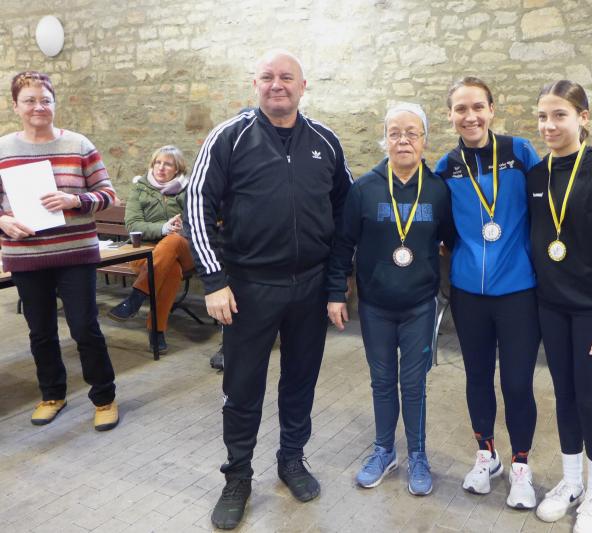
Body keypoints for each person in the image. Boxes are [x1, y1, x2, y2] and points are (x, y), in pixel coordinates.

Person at [184, 50, 352, 530]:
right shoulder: (229, 137)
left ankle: (291, 459)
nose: (277, 85)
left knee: (300, 381)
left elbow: (346, 211)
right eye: (267, 77)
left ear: (303, 86)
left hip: (310, 287)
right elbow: (196, 204)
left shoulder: (325, 141)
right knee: (242, 388)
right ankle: (237, 476)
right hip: (249, 288)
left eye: (286, 77)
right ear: (254, 84)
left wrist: (336, 281)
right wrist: (214, 281)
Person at [327, 103, 454, 496]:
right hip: (375, 307)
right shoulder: (364, 188)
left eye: (412, 133)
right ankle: (385, 451)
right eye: (395, 132)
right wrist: (336, 292)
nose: (403, 140)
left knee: (414, 384)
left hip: (419, 306)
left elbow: (452, 240)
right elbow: (342, 244)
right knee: (382, 382)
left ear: (424, 140)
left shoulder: (438, 190)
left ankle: (418, 454)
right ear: (385, 139)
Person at [528, 80, 592, 533]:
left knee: (590, 401)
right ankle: (571, 482)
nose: (549, 125)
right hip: (551, 309)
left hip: (591, 312)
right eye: (542, 117)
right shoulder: (536, 176)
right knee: (564, 397)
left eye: (560, 115)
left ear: (582, 118)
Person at [434, 77, 542, 509]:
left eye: (478, 107)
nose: (470, 116)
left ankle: (520, 466)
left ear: (492, 110)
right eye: (461, 109)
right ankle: (487, 455)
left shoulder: (520, 153)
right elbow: (442, 227)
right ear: (450, 116)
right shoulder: (445, 167)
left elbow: (545, 210)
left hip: (518, 292)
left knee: (516, 382)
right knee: (477, 377)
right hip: (469, 294)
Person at [0, 71, 119, 431]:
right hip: (26, 255)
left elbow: (108, 195)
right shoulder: (3, 150)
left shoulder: (79, 145)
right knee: (41, 332)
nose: (38, 107)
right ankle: (52, 395)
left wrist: (75, 200)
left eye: (45, 100)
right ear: (15, 105)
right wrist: (3, 222)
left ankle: (104, 398)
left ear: (54, 103)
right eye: (30, 100)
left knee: (85, 328)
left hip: (75, 254)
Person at [108, 145, 193, 353]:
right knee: (171, 270)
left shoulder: (189, 190)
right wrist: (163, 228)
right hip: (145, 252)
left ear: (177, 169)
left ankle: (135, 298)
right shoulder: (140, 189)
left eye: (168, 164)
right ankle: (156, 330)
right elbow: (133, 225)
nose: (161, 168)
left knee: (173, 240)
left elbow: (202, 219)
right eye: (158, 163)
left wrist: (183, 225)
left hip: (183, 248)